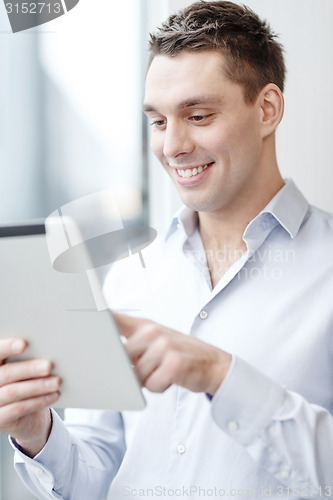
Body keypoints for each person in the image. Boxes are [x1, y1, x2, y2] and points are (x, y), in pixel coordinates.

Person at [1, 1, 333, 498]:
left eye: (198, 116)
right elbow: (99, 475)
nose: (172, 146)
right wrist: (37, 433)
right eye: (157, 121)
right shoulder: (132, 275)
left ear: (267, 109)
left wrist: (218, 373)